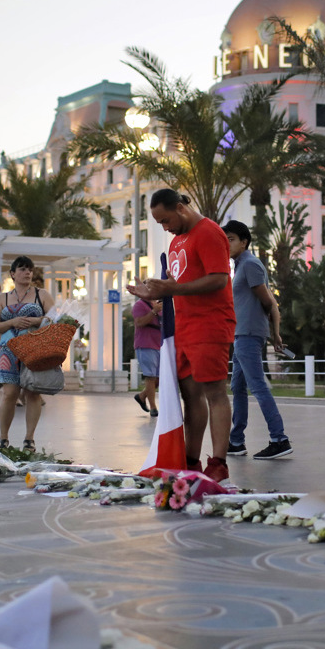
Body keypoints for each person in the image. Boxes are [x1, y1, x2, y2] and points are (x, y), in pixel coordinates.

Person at [128, 189, 236, 483]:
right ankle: (192, 461)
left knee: (215, 392)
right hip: (184, 327)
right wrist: (155, 290)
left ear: (180, 208)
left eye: (165, 220)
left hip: (210, 324)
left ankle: (219, 462)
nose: (164, 227)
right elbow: (179, 281)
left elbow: (218, 279)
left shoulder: (209, 232)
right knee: (190, 395)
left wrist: (171, 289)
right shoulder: (177, 242)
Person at [222, 220, 292, 460]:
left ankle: (279, 439)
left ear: (244, 242)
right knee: (238, 387)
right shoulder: (241, 266)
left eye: (230, 239)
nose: (226, 244)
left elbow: (268, 301)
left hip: (249, 334)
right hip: (242, 333)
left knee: (258, 387)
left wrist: (274, 332)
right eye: (224, 239)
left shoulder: (250, 264)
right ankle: (237, 441)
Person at [0, 256, 55, 450]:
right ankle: (3, 438)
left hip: (33, 348)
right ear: (12, 274)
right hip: (8, 351)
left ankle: (29, 438)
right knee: (9, 393)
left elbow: (56, 319)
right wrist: (12, 322)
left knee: (32, 392)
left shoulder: (41, 294)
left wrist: (36, 321)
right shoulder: (2, 298)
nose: (27, 272)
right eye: (22, 269)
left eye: (30, 269)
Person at [131, 296, 163, 417]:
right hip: (146, 344)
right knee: (150, 376)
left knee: (160, 378)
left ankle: (142, 396)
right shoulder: (139, 305)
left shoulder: (158, 303)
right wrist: (154, 311)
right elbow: (139, 322)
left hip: (159, 345)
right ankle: (153, 408)